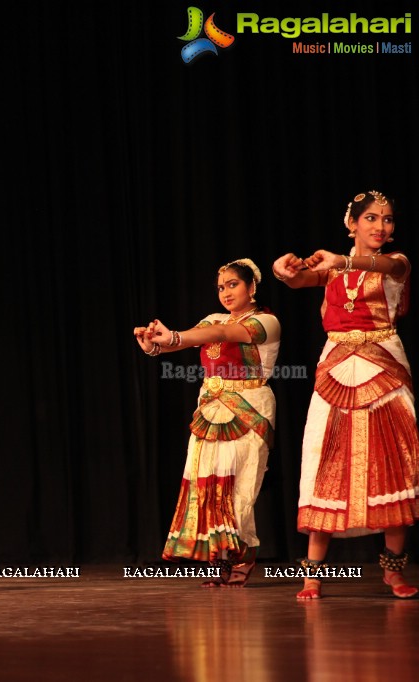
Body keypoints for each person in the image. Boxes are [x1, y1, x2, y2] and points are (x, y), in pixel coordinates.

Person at [273, 189, 419, 600]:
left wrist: (345, 260)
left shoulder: (396, 264)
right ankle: (313, 573)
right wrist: (281, 269)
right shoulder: (332, 271)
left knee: (393, 458)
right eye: (371, 218)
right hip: (335, 366)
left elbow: (389, 264)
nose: (381, 226)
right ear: (352, 224)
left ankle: (393, 570)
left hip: (384, 366)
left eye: (388, 220)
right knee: (325, 456)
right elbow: (299, 278)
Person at [134, 259, 280, 587]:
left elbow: (224, 333)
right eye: (220, 287)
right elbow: (190, 339)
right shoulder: (211, 318)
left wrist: (172, 335)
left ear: (252, 287)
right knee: (208, 483)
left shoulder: (267, 322)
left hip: (249, 408)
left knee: (239, 487)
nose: (225, 292)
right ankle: (221, 559)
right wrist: (155, 346)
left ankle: (245, 553)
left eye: (233, 285)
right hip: (210, 409)